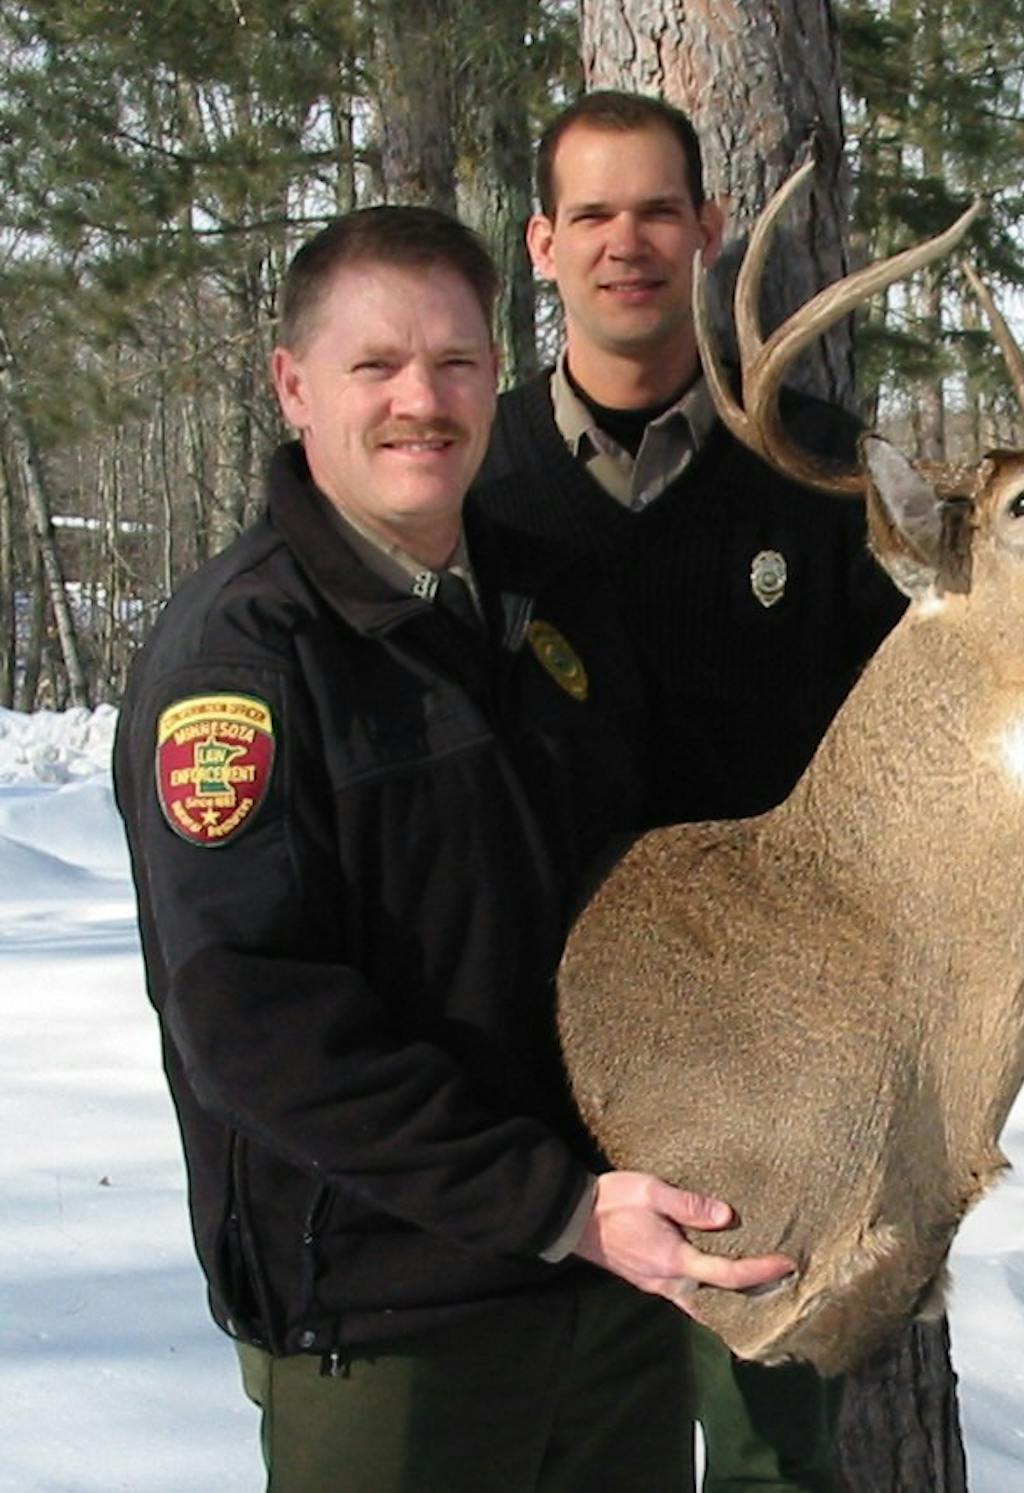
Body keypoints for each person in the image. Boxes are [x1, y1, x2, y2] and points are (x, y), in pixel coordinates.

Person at [114, 205, 792, 1491]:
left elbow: (678, 886)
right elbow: (256, 1022)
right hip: (391, 1324)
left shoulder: (554, 608)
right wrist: (551, 1204)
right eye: (376, 366)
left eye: (457, 362)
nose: (421, 400)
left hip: (614, 1295)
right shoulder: (244, 666)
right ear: (294, 385)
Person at [475, 92, 906, 1489]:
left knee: (781, 1462)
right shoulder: (471, 489)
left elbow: (914, 764)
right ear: (543, 243)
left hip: (771, 1099)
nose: (627, 243)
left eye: (657, 209)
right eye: (591, 215)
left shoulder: (825, 473)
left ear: (711, 229)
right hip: (533, 1092)